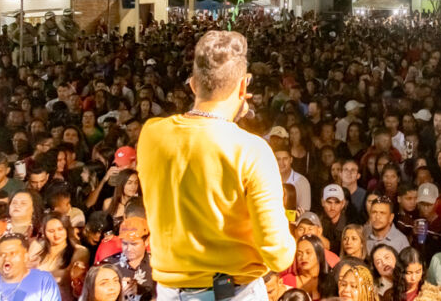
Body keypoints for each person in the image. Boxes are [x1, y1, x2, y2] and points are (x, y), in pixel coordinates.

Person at [137, 30, 296, 299]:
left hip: (170, 292)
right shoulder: (252, 150)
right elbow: (278, 254)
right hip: (234, 292)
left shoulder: (152, 134)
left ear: (193, 85)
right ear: (244, 87)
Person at [0, 233, 61, 301]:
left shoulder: (43, 280)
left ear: (26, 257)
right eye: (2, 255)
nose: (6, 258)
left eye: (13, 253)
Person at [99, 216, 155, 301]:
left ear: (146, 241)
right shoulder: (108, 265)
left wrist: (141, 290)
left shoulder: (157, 265)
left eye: (134, 244)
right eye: (125, 244)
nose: (128, 249)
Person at [37, 212, 90, 301]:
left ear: (67, 230)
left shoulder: (79, 252)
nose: (56, 235)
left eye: (60, 229)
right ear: (44, 232)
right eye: (51, 231)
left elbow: (79, 285)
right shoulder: (38, 252)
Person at [281, 235, 329, 300]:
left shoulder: (330, 281)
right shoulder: (286, 280)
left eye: (308, 253)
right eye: (299, 254)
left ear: (319, 254)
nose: (303, 257)